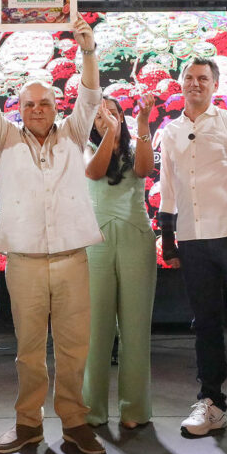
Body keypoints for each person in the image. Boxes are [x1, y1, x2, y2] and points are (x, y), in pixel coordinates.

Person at [0, 15, 107, 454]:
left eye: (45, 103)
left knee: (73, 349)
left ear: (56, 107)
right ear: (19, 108)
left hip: (72, 260)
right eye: (29, 104)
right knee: (29, 352)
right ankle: (28, 424)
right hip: (25, 263)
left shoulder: (74, 135)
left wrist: (87, 52)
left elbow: (89, 96)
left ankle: (74, 421)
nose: (37, 110)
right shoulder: (3, 139)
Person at [158, 57, 227, 450]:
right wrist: (170, 240)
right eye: (189, 78)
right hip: (193, 241)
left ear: (215, 84)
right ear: (180, 84)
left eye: (203, 79)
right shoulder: (170, 132)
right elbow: (169, 190)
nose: (195, 84)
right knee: (205, 325)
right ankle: (211, 403)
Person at [81, 94, 156, 429]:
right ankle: (91, 410)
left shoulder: (135, 144)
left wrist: (142, 124)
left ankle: (134, 411)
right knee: (95, 331)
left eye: (112, 114)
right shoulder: (82, 147)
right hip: (94, 243)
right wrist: (109, 133)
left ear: (124, 117)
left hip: (136, 240)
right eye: (99, 116)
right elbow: (95, 172)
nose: (106, 119)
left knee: (135, 330)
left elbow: (144, 168)